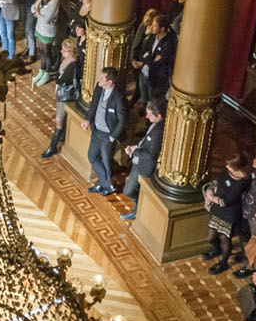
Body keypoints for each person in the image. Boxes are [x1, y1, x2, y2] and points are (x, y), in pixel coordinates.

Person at [202, 154, 249, 269]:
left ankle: (224, 262)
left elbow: (227, 201)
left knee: (225, 238)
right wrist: (210, 194)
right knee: (211, 238)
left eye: (230, 165)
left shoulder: (242, 182)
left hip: (229, 214)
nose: (227, 166)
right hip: (218, 210)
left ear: (238, 167)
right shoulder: (226, 171)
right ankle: (216, 250)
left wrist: (211, 197)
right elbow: (218, 183)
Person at [119, 101, 164, 219]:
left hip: (144, 166)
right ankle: (137, 211)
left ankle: (140, 207)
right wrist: (137, 146)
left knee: (128, 191)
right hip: (139, 162)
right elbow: (147, 142)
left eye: (149, 114)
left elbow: (151, 154)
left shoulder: (159, 131)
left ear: (158, 116)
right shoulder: (156, 125)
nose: (147, 117)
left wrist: (135, 151)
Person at [85, 66, 125, 195]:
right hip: (96, 130)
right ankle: (106, 184)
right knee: (92, 156)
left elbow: (122, 121)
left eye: (102, 78)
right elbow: (94, 104)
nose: (99, 79)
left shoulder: (118, 98)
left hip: (108, 135)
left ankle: (106, 185)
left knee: (106, 160)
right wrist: (87, 119)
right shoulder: (99, 87)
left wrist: (112, 137)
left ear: (109, 82)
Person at [41, 38, 81, 158]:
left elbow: (60, 80)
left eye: (65, 50)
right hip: (64, 93)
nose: (61, 52)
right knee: (62, 119)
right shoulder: (68, 60)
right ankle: (61, 136)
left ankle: (52, 146)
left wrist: (58, 76)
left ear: (71, 52)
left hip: (66, 96)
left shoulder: (72, 65)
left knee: (59, 120)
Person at [31, 0, 64, 83]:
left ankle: (47, 73)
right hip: (39, 28)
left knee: (47, 52)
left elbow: (47, 18)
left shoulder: (55, 0)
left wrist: (39, 13)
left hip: (47, 30)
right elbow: (33, 8)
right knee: (41, 51)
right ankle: (41, 70)